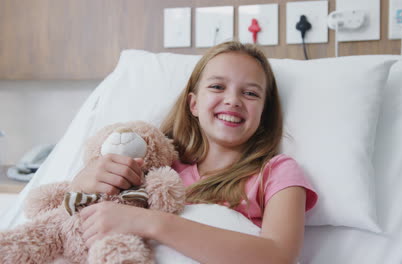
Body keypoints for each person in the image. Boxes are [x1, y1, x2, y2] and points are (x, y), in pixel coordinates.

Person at [71, 41, 318, 263]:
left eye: (251, 93)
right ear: (194, 104)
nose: (233, 100)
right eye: (218, 86)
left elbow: (279, 256)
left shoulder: (277, 173)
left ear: (264, 112)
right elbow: (85, 217)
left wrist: (148, 222)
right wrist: (85, 180)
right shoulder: (159, 167)